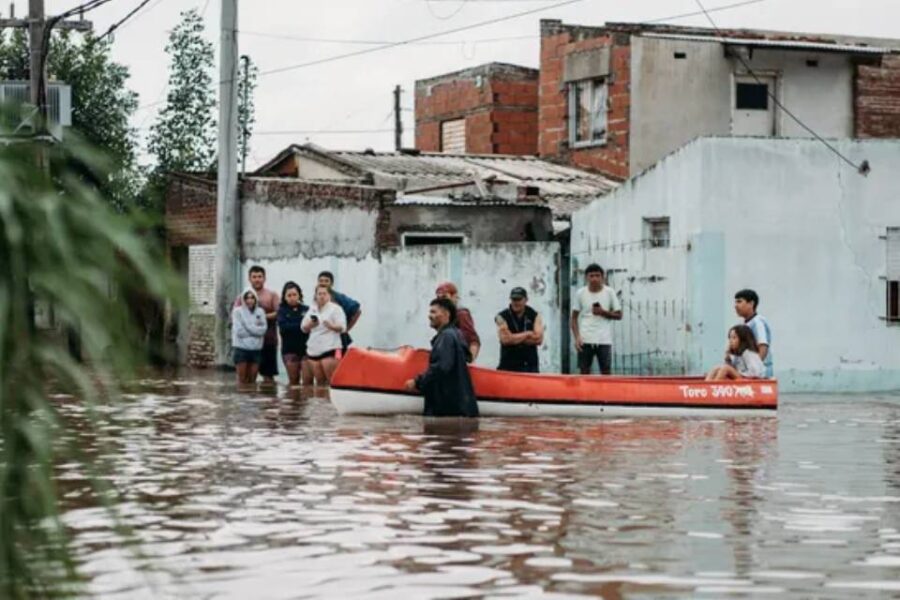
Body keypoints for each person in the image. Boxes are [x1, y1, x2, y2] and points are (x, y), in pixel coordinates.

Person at [404, 298, 479, 417]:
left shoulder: (446, 337)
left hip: (449, 410)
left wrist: (417, 382)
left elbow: (441, 367)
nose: (429, 316)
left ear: (446, 314)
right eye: (430, 312)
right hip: (460, 410)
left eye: (434, 312)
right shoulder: (456, 335)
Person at [571, 264, 622, 375]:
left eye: (597, 276)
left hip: (604, 340)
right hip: (585, 339)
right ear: (586, 277)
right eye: (591, 276)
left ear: (603, 277)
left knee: (606, 372)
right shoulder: (580, 293)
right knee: (584, 372)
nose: (594, 279)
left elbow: (619, 315)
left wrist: (603, 312)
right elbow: (574, 318)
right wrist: (577, 337)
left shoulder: (609, 292)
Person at [233, 265, 280, 384]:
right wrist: (255, 321)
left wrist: (262, 316)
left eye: (260, 276)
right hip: (245, 344)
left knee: (268, 377)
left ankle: (266, 396)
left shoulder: (272, 295)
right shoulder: (241, 297)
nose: (257, 279)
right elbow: (236, 317)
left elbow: (279, 313)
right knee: (243, 379)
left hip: (268, 341)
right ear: (249, 279)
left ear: (264, 278)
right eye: (254, 277)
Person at [301, 284, 347, 385]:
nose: (322, 296)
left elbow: (343, 327)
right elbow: (303, 328)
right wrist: (310, 325)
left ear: (329, 295)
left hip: (332, 348)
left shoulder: (336, 309)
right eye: (319, 294)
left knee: (333, 381)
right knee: (320, 382)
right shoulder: (312, 309)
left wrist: (332, 326)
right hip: (313, 350)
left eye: (324, 294)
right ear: (316, 295)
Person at [495, 286, 544, 373]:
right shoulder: (502, 316)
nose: (516, 302)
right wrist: (528, 334)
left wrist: (513, 338)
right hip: (508, 367)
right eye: (514, 299)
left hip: (530, 367)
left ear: (526, 300)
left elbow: (538, 339)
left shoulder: (534, 315)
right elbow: (505, 339)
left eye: (519, 299)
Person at [435, 281, 480, 363]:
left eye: (444, 297)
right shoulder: (444, 316)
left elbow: (473, 341)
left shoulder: (461, 314)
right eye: (438, 298)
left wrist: (469, 362)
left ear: (454, 297)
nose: (441, 301)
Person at [317, 271, 361, 354]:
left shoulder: (338, 297)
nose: (323, 283)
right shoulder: (317, 297)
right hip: (324, 338)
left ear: (331, 284)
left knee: (338, 358)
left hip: (339, 338)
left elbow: (357, 310)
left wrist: (347, 328)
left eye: (326, 281)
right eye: (321, 281)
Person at [734, 289, 773, 378]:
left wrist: (755, 370)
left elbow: (763, 347)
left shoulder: (758, 322)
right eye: (735, 302)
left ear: (751, 303)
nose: (736, 306)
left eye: (739, 301)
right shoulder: (746, 324)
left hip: (759, 376)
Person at [232, 288, 268, 386]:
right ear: (243, 299)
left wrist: (247, 327)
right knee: (242, 381)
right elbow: (239, 332)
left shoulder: (260, 312)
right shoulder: (237, 312)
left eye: (252, 298)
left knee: (253, 381)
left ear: (255, 299)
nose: (249, 300)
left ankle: (252, 396)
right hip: (241, 349)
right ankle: (241, 396)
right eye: (247, 298)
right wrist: (255, 330)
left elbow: (263, 330)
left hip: (256, 350)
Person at [277, 281, 310, 386]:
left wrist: (296, 324)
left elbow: (311, 326)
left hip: (306, 349)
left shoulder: (307, 309)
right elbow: (284, 328)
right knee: (294, 381)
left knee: (308, 381)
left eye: (294, 294)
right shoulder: (281, 311)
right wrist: (302, 325)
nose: (292, 298)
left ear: (299, 295)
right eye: (289, 295)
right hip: (289, 350)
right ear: (285, 297)